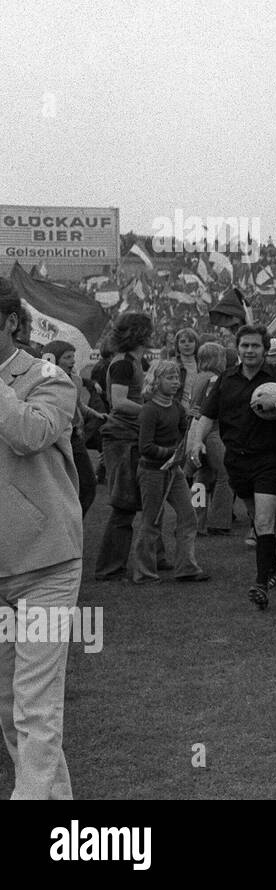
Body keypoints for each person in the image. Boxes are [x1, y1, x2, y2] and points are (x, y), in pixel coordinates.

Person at [0, 278, 82, 799]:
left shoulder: (49, 377)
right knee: (11, 711)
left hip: (47, 563)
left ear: (10, 323)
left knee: (35, 706)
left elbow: (28, 434)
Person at [188, 324, 276, 609]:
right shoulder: (225, 379)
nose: (250, 351)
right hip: (236, 459)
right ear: (238, 348)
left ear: (265, 349)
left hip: (270, 458)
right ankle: (275, 565)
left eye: (255, 346)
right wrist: (197, 442)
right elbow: (207, 415)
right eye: (245, 346)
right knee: (256, 518)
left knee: (263, 519)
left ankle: (262, 582)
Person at [92, 313, 155, 581]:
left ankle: (154, 558)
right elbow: (118, 401)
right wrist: (150, 412)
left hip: (132, 434)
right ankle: (109, 568)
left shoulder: (134, 362)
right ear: (140, 333)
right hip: (122, 436)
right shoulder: (123, 364)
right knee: (124, 504)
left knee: (148, 499)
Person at [131, 360, 207, 584]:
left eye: (177, 378)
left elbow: (182, 433)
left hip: (174, 471)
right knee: (151, 522)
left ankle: (186, 568)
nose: (175, 382)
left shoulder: (176, 407)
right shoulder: (149, 410)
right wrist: (171, 452)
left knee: (188, 516)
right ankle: (143, 573)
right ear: (156, 381)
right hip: (152, 472)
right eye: (170, 378)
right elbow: (145, 447)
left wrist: (190, 421)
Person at [43, 341, 99, 514]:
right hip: (54, 439)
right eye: (67, 357)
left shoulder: (76, 380)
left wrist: (95, 414)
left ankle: (74, 526)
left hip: (74, 438)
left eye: (73, 357)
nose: (72, 361)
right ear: (53, 359)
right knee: (56, 489)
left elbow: (78, 405)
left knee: (87, 484)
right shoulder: (45, 381)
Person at [189, 342, 234, 536]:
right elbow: (214, 406)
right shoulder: (215, 378)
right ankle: (219, 522)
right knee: (225, 475)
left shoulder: (198, 377)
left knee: (201, 476)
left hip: (195, 429)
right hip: (212, 430)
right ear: (217, 358)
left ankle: (195, 521)